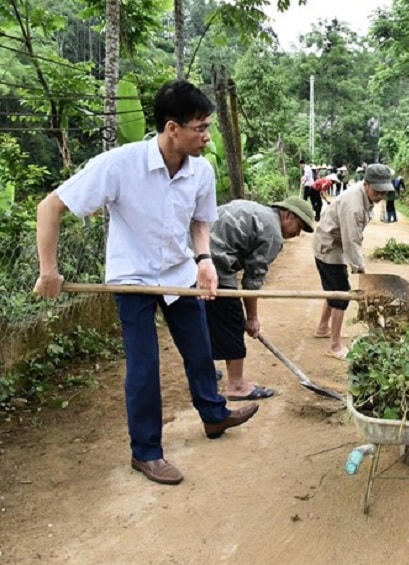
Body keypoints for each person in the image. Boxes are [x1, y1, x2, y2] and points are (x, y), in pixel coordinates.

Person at [33, 79, 258, 485]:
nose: (207, 137)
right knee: (144, 364)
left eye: (209, 127)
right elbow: (50, 206)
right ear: (172, 128)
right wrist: (48, 270)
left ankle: (213, 414)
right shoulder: (119, 165)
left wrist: (204, 259)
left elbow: (201, 220)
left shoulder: (201, 170)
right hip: (132, 276)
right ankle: (147, 452)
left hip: (178, 272)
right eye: (200, 128)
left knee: (199, 347)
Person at [206, 196, 315, 401]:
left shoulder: (258, 211)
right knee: (231, 319)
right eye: (298, 227)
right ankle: (237, 385)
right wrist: (251, 318)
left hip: (191, 255)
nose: (297, 234)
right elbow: (252, 281)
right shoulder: (273, 232)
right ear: (287, 214)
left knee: (204, 318)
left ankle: (205, 371)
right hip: (213, 263)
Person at [312, 163, 394, 359]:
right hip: (329, 247)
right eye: (377, 191)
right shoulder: (354, 206)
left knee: (334, 289)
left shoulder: (363, 197)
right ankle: (334, 346)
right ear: (366, 184)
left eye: (384, 192)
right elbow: (351, 242)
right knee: (342, 295)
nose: (380, 196)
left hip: (333, 244)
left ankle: (323, 327)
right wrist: (360, 270)